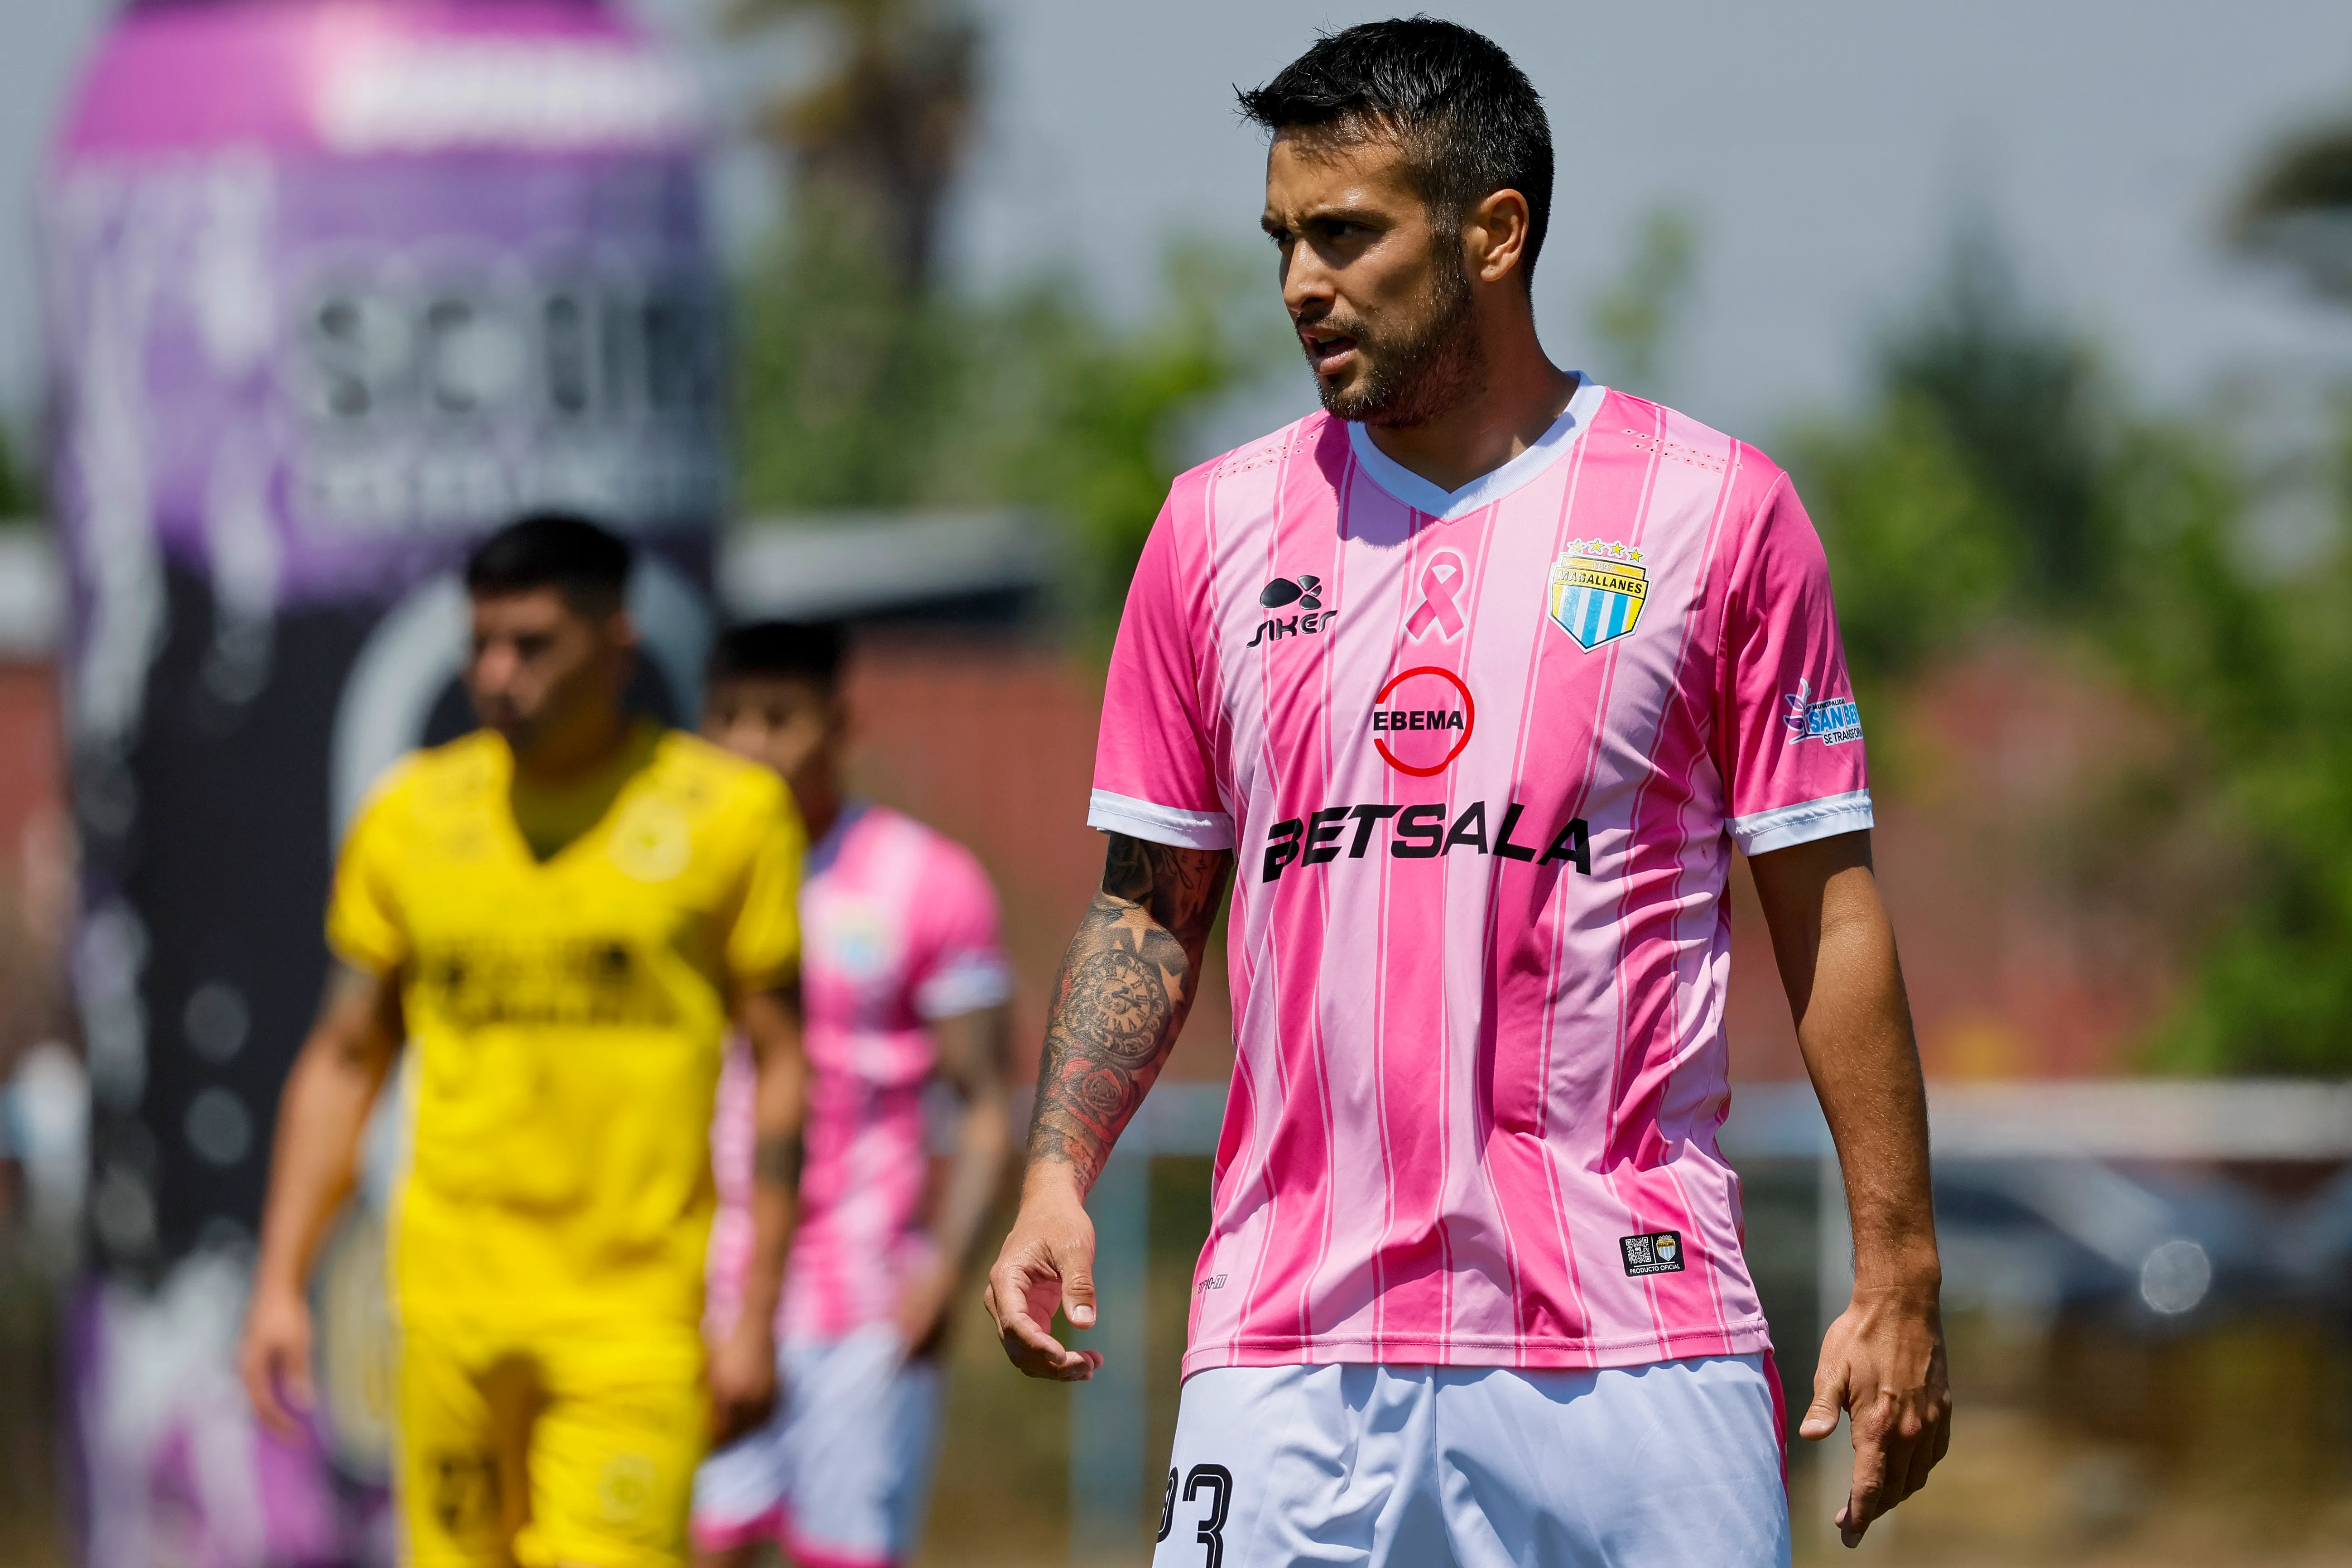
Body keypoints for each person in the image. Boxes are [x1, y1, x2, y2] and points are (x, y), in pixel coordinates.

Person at [984, 19, 1950, 1567]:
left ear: (1494, 232)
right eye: (1282, 240)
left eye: (1344, 234)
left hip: (1635, 1346)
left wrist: (1898, 1270)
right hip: (1287, 1349)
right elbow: (1149, 902)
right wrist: (1057, 1171)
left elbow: (1827, 910)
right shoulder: (1212, 528)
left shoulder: (1716, 513)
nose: (1300, 283)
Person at [238, 515, 811, 1568]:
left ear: (617, 645)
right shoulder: (409, 815)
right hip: (447, 1310)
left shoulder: (730, 817)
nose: (498, 673)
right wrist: (280, 1280)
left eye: (533, 644)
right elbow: (345, 1057)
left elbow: (782, 1066)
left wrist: (759, 1308)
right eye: (482, 644)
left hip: (633, 1319)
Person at [690, 622, 1017, 1568]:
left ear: (839, 725)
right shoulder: (674, 881)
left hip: (864, 1311)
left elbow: (985, 1104)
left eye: (779, 718)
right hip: (702, 1296)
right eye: (730, 718)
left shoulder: (929, 880)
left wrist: (945, 1271)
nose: (752, 743)